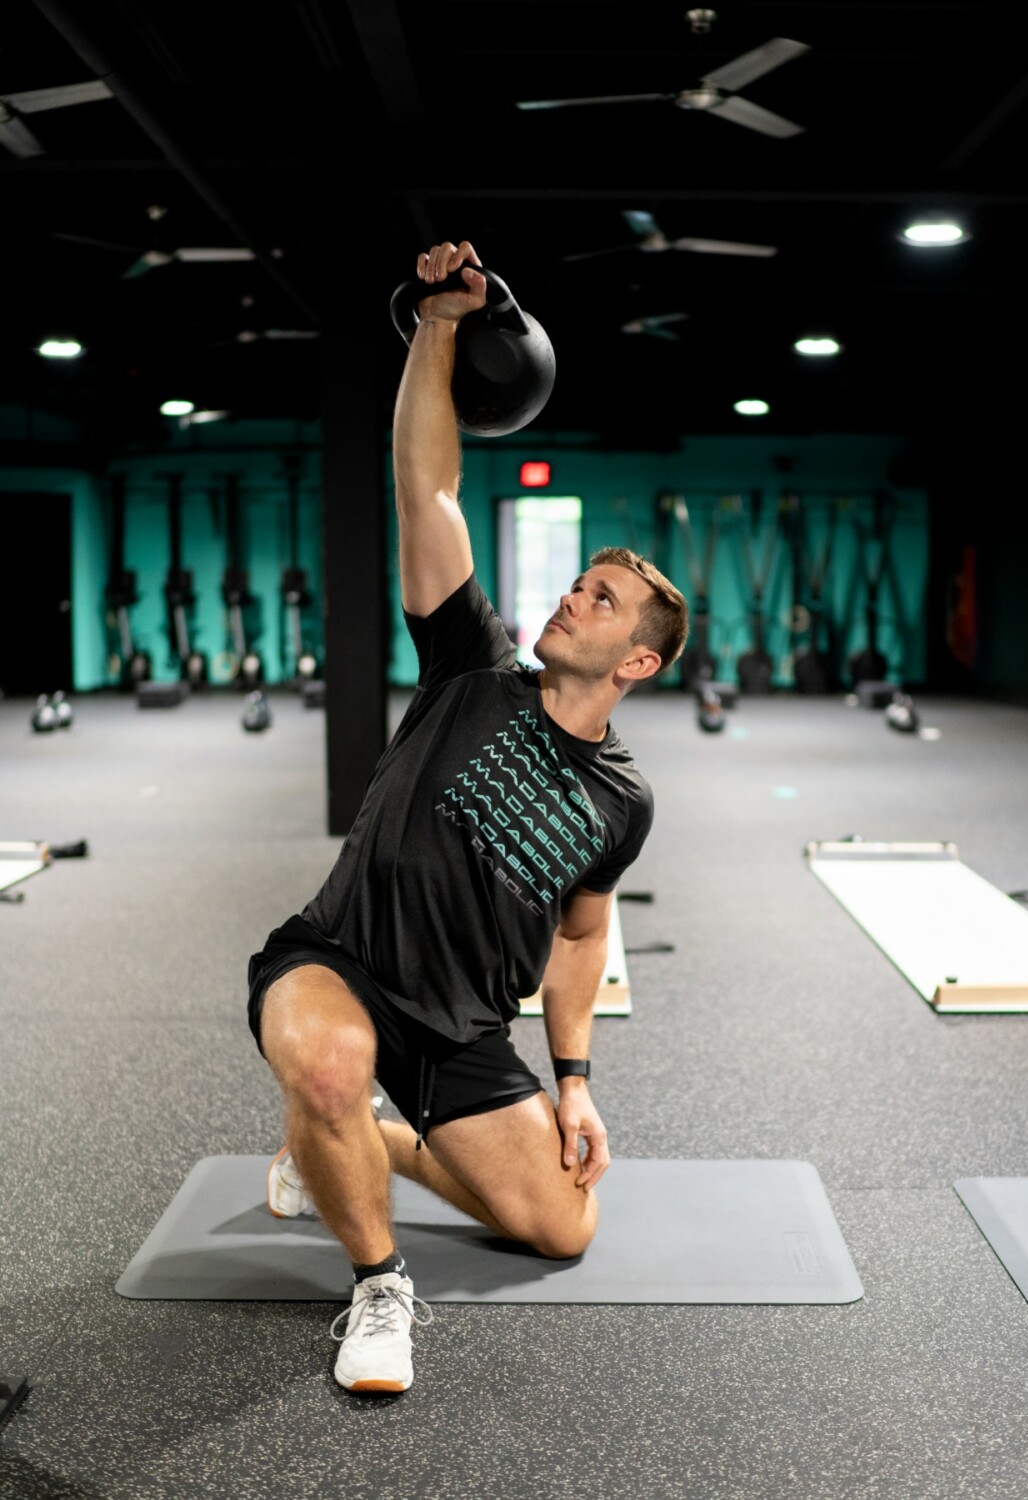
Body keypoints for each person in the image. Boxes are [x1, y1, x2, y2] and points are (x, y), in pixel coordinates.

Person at [246, 239, 689, 1394]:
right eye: (577, 582)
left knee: (560, 1227)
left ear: (637, 659)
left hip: (459, 1026)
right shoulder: (468, 664)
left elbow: (585, 936)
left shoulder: (621, 799)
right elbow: (428, 486)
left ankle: (353, 1148)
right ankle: (379, 1284)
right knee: (331, 1068)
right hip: (337, 964)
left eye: (599, 599)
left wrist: (576, 1078)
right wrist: (441, 324)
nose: (570, 597)